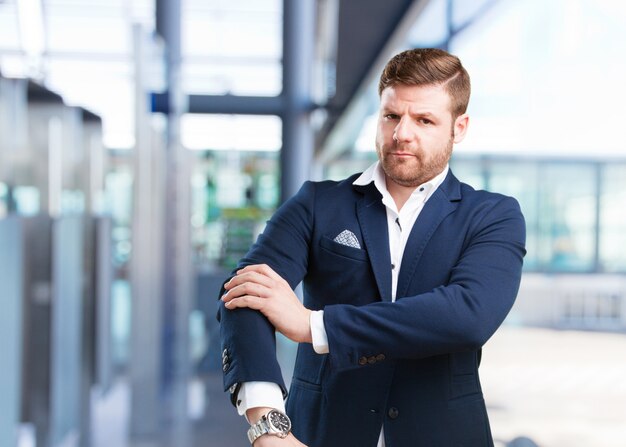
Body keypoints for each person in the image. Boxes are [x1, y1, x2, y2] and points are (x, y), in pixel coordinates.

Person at [218, 47, 526, 447]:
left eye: (424, 120)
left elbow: (466, 316)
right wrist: (269, 426)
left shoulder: (491, 216)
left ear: (459, 127)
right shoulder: (318, 203)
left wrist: (315, 325)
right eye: (391, 115)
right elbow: (242, 295)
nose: (402, 133)